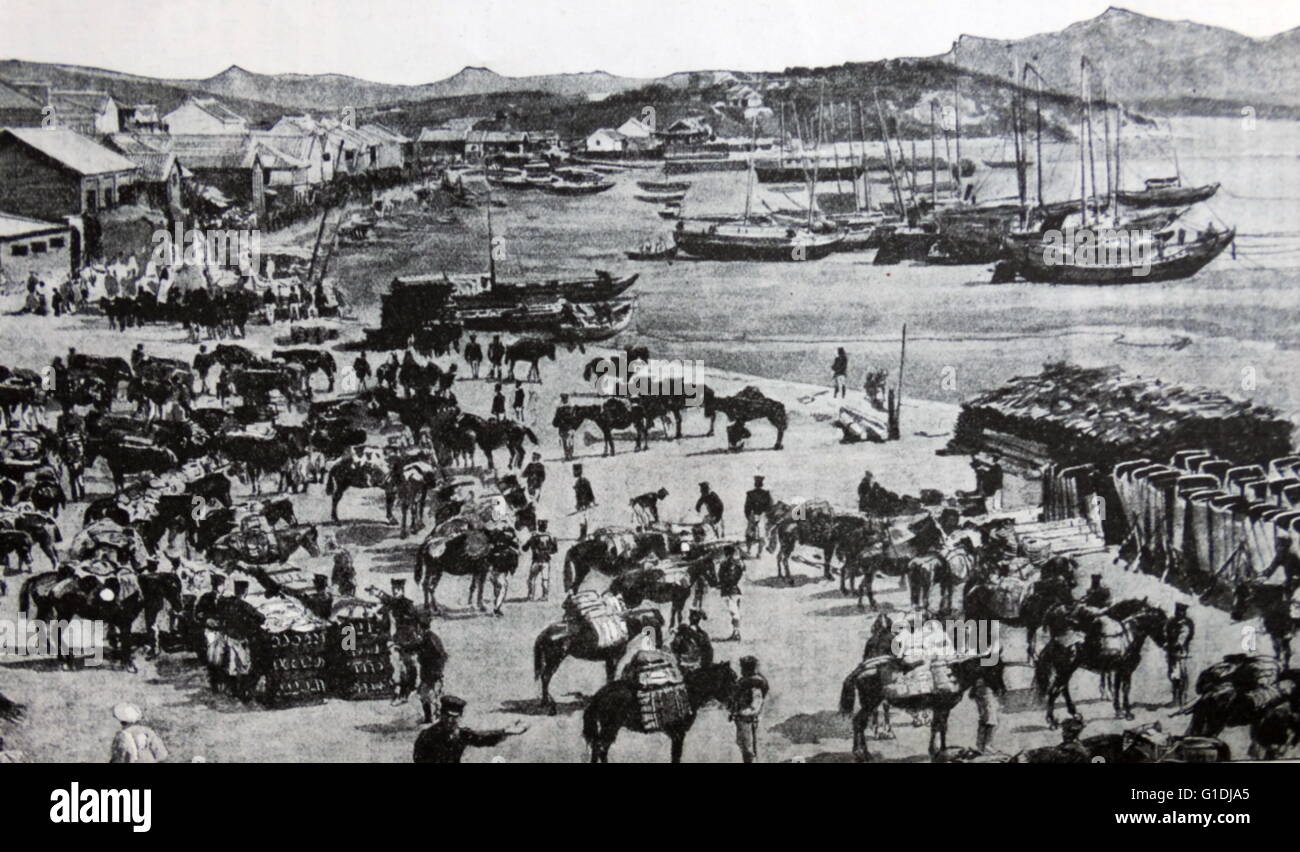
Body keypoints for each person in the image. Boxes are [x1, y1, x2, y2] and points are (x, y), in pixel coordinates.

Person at [412, 695, 527, 764]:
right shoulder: (427, 736)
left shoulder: (460, 734)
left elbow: (482, 738)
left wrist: (505, 732)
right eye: (447, 716)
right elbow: (419, 759)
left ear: (460, 717)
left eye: (455, 717)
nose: (450, 721)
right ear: (441, 715)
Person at [730, 656, 768, 763]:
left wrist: (740, 713)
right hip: (742, 721)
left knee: (749, 751)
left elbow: (755, 706)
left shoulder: (754, 685)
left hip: (749, 722)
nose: (741, 670)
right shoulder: (744, 683)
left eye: (743, 668)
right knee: (744, 747)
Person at [413, 617, 448, 724]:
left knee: (425, 694)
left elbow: (439, 656)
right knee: (433, 694)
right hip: (433, 672)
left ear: (420, 627)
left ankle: (430, 718)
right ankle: (434, 717)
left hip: (431, 673)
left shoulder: (428, 639)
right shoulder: (431, 637)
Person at [1164, 602, 1195, 708]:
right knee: (1172, 675)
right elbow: (1166, 634)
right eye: (1178, 611)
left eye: (1182, 611)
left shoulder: (1187, 623)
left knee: (1182, 676)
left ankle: (1182, 699)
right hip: (1172, 653)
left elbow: (1187, 636)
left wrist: (1178, 644)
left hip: (1182, 654)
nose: (1180, 613)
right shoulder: (1171, 622)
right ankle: (1175, 699)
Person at [523, 520, 558, 601]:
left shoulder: (534, 535)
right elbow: (555, 550)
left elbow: (525, 548)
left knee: (532, 579)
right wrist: (547, 551)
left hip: (536, 560)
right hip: (546, 560)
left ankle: (531, 596)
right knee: (545, 579)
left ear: (538, 525)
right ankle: (545, 596)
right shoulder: (550, 535)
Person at [717, 545, 745, 641]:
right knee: (735, 612)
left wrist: (721, 583)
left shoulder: (724, 564)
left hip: (728, 591)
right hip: (736, 590)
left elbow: (721, 577)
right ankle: (735, 632)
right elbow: (740, 573)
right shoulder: (739, 564)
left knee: (734, 613)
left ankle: (736, 633)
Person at [970, 669, 1000, 753]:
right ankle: (987, 745)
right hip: (985, 689)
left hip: (981, 688)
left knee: (985, 720)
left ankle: (980, 745)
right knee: (991, 721)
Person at [743, 475, 773, 558]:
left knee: (759, 535)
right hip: (755, 516)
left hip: (761, 516)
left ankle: (757, 552)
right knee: (752, 534)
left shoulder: (765, 494)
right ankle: (751, 551)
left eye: (758, 483)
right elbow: (747, 507)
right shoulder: (751, 494)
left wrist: (764, 514)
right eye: (758, 483)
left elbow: (770, 506)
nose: (758, 485)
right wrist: (749, 517)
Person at [573, 465, 595, 540]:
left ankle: (584, 535)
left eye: (575, 471)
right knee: (583, 519)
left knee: (584, 519)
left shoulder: (583, 482)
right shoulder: (579, 482)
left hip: (584, 503)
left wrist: (590, 501)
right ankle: (583, 535)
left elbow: (589, 492)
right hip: (582, 503)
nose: (574, 473)